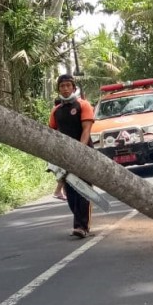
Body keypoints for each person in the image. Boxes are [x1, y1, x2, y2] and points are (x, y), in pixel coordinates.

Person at [49, 74, 95, 238]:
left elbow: (86, 130)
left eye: (68, 85)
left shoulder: (83, 105)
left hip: (84, 153)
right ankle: (78, 223)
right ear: (59, 89)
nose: (65, 88)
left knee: (84, 190)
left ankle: (82, 226)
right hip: (65, 157)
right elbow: (52, 133)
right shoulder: (56, 110)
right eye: (62, 86)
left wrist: (80, 151)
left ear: (74, 88)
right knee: (71, 192)